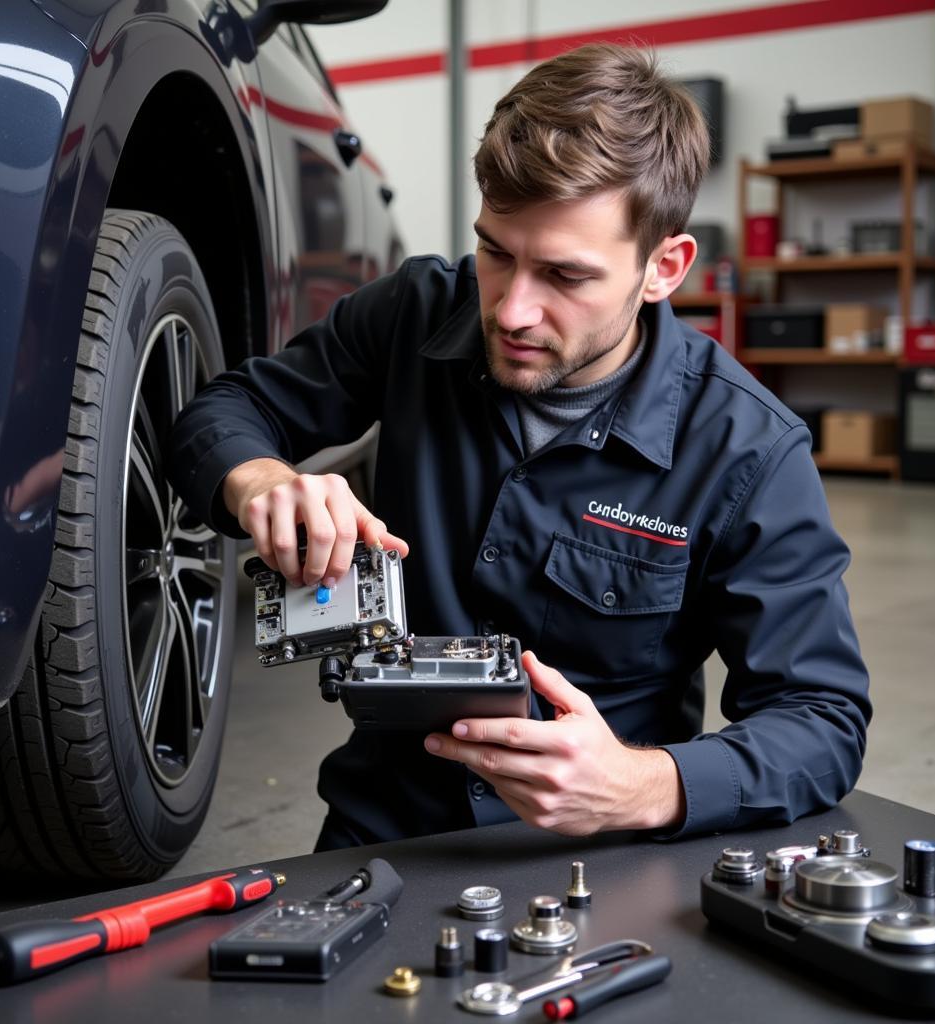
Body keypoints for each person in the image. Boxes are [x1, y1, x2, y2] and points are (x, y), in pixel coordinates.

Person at [167, 43, 871, 851]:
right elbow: (223, 410)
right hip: (383, 829)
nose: (510, 311)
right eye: (497, 252)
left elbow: (822, 719)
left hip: (599, 856)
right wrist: (258, 480)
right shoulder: (415, 313)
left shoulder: (747, 449)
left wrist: (642, 786)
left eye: (565, 276)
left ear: (663, 268)